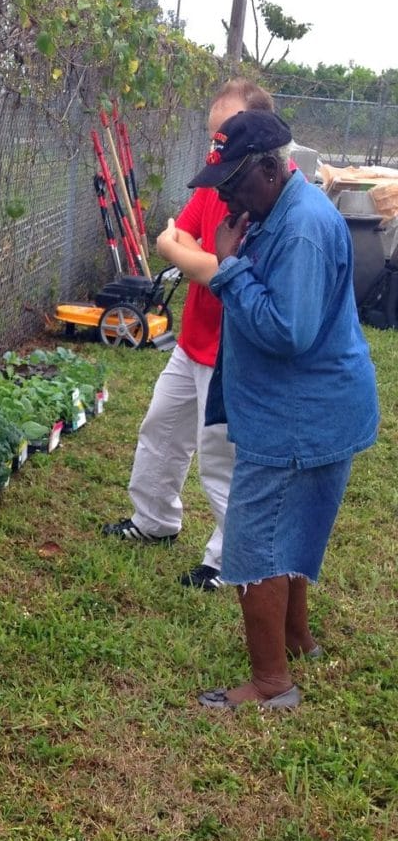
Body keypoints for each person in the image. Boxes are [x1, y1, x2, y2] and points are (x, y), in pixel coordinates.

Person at [185, 109, 378, 710]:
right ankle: (296, 641)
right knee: (289, 531)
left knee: (255, 543)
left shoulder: (299, 228)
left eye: (232, 182)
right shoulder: (280, 210)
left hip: (298, 415)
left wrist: (228, 267)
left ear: (272, 168)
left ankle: (271, 685)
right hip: (315, 408)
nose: (222, 196)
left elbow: (287, 331)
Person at [102, 79, 275, 592]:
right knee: (161, 428)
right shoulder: (216, 182)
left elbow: (205, 264)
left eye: (226, 137)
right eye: (213, 138)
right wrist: (184, 249)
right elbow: (181, 240)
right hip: (193, 341)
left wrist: (179, 248)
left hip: (232, 352)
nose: (215, 150)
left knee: (221, 458)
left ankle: (230, 561)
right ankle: (154, 519)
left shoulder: (265, 199)